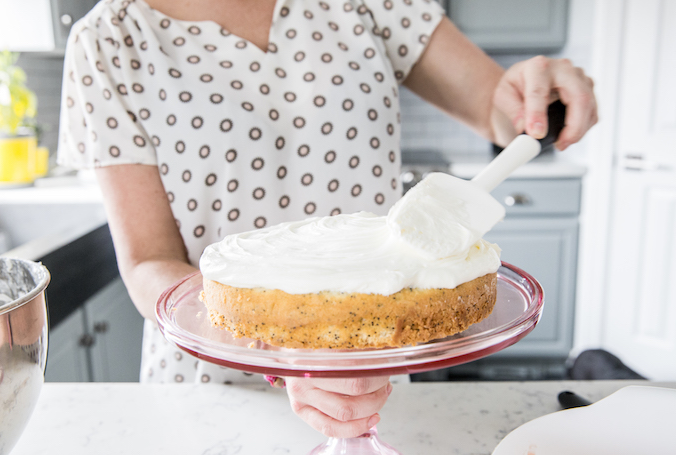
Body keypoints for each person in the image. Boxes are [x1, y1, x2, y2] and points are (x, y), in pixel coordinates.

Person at [57, 0, 597, 440]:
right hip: (220, 387)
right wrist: (283, 355)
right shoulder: (109, 39)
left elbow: (501, 113)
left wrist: (535, 93)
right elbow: (148, 260)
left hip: (376, 378)